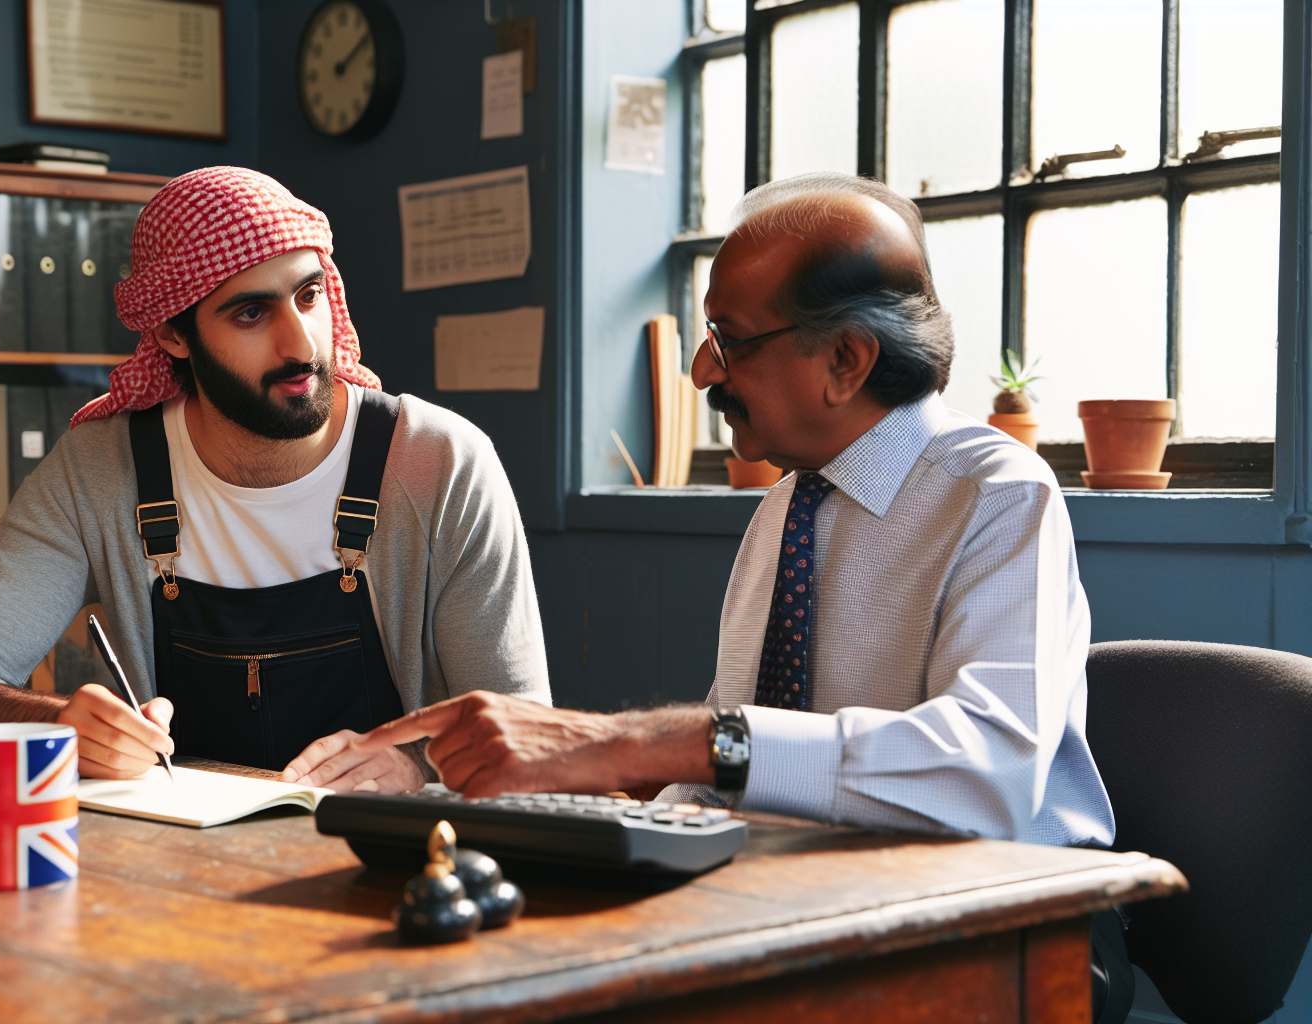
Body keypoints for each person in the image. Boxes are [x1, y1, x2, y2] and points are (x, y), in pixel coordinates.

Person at [333, 172, 1130, 1023]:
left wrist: (633, 744)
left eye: (731, 338)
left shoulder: (1000, 493)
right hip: (824, 896)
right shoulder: (789, 504)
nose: (701, 366)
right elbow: (730, 767)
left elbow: (986, 775)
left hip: (1019, 923)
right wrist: (584, 810)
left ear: (846, 360)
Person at [0, 166, 549, 792]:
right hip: (180, 871)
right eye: (250, 314)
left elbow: (525, 731)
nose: (301, 345)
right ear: (174, 336)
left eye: (308, 295)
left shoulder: (443, 463)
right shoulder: (97, 472)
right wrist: (54, 724)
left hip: (385, 860)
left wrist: (416, 768)